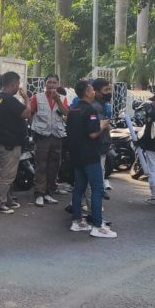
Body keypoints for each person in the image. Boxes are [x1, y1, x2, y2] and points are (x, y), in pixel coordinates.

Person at [66, 80, 116, 238]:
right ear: (87, 93)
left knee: (79, 188)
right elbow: (93, 133)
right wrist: (102, 126)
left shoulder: (73, 109)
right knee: (97, 188)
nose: (94, 92)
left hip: (76, 155)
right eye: (92, 90)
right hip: (90, 155)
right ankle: (97, 226)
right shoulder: (90, 110)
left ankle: (77, 221)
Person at [0, 72, 31, 215]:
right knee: (6, 174)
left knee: (7, 173)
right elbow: (27, 113)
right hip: (10, 142)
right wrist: (27, 98)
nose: (18, 87)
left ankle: (7, 199)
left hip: (1, 139)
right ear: (13, 84)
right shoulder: (9, 100)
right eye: (18, 84)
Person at [28, 74, 69, 207]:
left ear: (58, 84)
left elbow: (66, 113)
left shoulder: (63, 98)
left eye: (54, 82)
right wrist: (34, 127)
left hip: (57, 136)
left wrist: (58, 100)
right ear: (45, 84)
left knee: (54, 166)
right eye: (49, 82)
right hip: (42, 136)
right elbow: (29, 113)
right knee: (41, 165)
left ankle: (48, 193)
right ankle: (39, 194)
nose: (51, 85)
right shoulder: (37, 97)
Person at [136, 92, 155, 204]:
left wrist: (140, 142)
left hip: (153, 146)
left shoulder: (153, 113)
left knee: (153, 171)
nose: (153, 102)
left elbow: (148, 131)